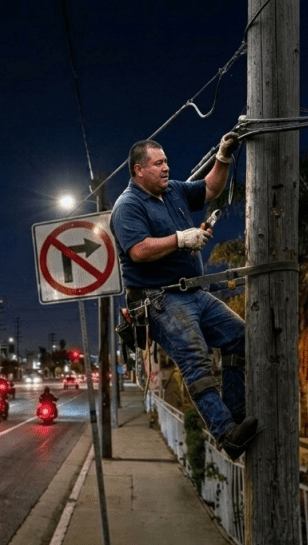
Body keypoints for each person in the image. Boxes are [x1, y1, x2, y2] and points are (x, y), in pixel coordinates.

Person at [110, 133, 257, 461]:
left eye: (166, 162)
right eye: (158, 163)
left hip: (194, 292)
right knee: (195, 359)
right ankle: (226, 435)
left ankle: (236, 415)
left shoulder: (173, 190)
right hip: (162, 299)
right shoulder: (127, 206)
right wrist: (179, 239)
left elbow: (210, 188)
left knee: (238, 337)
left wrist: (222, 156)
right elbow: (138, 250)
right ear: (139, 170)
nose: (166, 167)